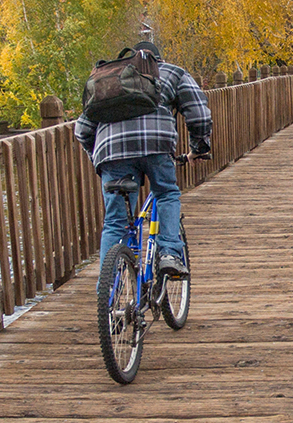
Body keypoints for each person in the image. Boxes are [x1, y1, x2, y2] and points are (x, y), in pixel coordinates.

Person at [75, 39, 211, 277]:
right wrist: (198, 148)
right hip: (157, 147)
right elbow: (199, 114)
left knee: (115, 222)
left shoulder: (109, 80)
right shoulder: (171, 72)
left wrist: (98, 158)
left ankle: (108, 294)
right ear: (158, 60)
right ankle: (169, 253)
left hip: (111, 153)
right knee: (166, 193)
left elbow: (82, 131)